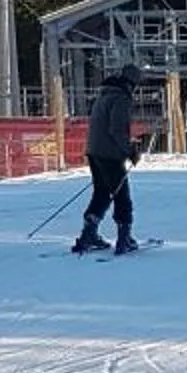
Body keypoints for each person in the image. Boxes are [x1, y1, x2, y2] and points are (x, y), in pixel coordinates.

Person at [73, 66, 143, 255]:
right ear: (131, 83)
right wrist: (130, 151)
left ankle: (89, 234)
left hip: (94, 151)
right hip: (110, 154)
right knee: (121, 195)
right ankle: (124, 237)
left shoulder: (104, 95)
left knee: (102, 193)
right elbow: (116, 130)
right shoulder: (121, 98)